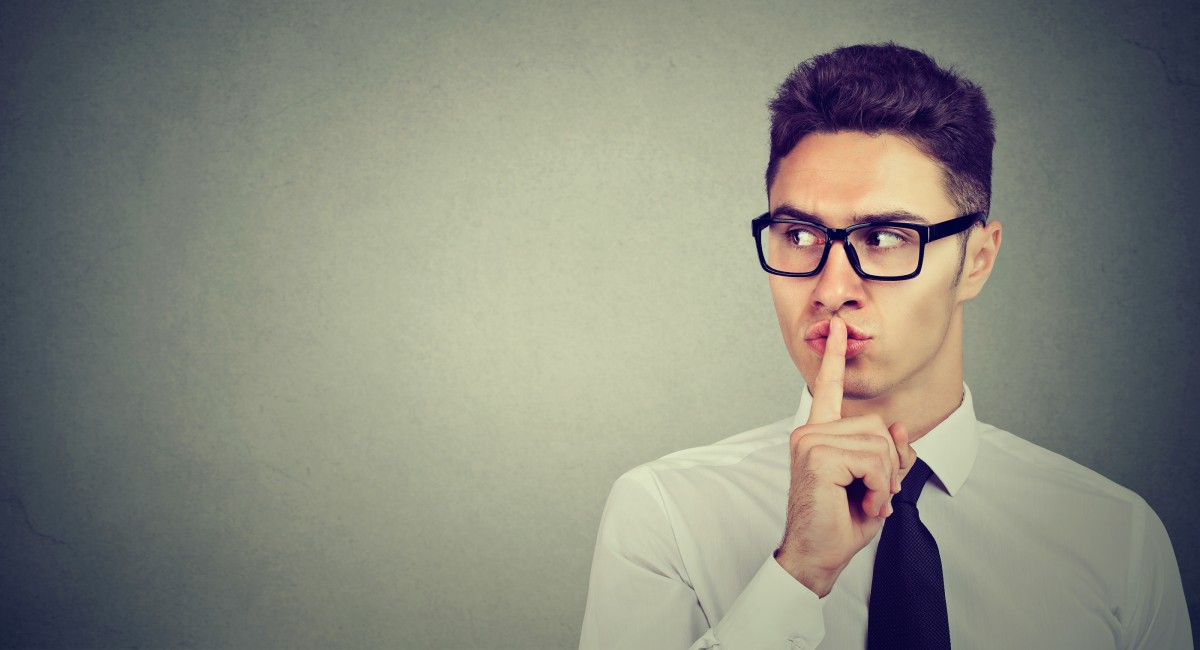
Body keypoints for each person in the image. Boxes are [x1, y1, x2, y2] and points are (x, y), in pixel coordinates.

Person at [579, 43, 1192, 649]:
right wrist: (797, 576)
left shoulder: (1116, 539)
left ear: (977, 260)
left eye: (885, 237)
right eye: (797, 233)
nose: (831, 288)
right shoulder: (665, 514)